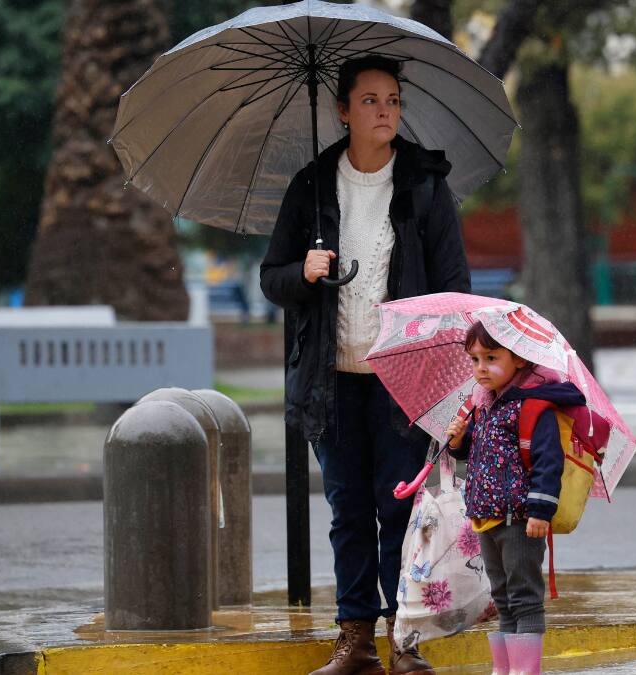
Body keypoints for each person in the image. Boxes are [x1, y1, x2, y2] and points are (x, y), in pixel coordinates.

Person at [260, 55, 470, 675]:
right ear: (344, 111)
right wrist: (303, 271)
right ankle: (355, 642)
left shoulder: (426, 186)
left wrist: (453, 382)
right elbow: (271, 277)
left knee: (399, 509)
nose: (386, 111)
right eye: (372, 101)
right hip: (331, 382)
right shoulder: (312, 187)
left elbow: (454, 288)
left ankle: (404, 641)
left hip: (402, 382)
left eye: (394, 101)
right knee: (348, 510)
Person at [445, 322, 585, 675]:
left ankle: (526, 670)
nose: (480, 367)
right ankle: (505, 668)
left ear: (519, 360)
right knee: (503, 598)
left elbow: (547, 463)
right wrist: (459, 441)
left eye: (491, 358)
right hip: (487, 518)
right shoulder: (484, 406)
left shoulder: (534, 408)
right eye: (474, 359)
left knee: (524, 598)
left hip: (520, 520)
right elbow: (476, 456)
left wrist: (540, 511)